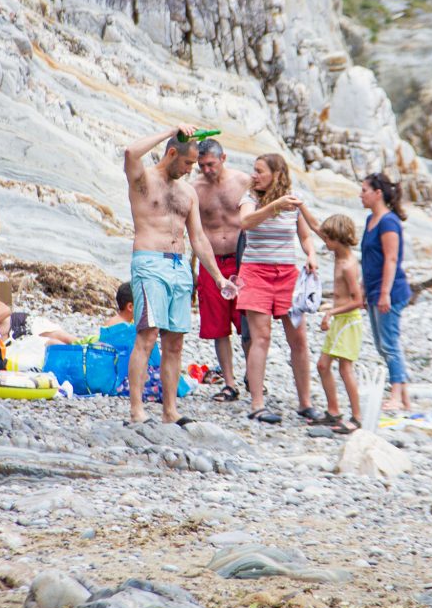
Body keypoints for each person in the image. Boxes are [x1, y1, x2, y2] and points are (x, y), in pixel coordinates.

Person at [124, 125, 230, 424]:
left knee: (175, 341)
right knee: (148, 335)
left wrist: (219, 277)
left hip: (179, 266)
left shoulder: (188, 192)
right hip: (149, 262)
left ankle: (170, 411)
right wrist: (171, 130)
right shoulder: (143, 180)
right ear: (172, 153)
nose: (189, 170)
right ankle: (137, 410)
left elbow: (198, 237)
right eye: (186, 163)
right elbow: (131, 152)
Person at [238, 154, 322, 425]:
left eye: (260, 171)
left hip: (288, 274)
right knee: (260, 338)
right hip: (255, 273)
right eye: (254, 170)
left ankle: (306, 403)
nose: (254, 175)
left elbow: (306, 235)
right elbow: (245, 223)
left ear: (276, 174)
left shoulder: (293, 200)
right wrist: (274, 205)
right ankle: (257, 404)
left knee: (298, 340)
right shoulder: (250, 198)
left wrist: (311, 254)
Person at [193, 139, 250, 402]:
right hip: (211, 262)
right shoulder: (194, 189)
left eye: (211, 164)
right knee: (218, 328)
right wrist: (193, 270)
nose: (206, 170)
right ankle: (229, 383)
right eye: (201, 165)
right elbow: (193, 232)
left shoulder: (242, 181)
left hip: (242, 261)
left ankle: (253, 374)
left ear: (223, 158)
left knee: (247, 322)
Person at [298, 210, 364, 433]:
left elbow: (358, 301)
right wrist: (301, 205)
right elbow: (317, 226)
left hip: (348, 321)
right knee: (322, 365)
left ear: (339, 239)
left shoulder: (348, 265)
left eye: (328, 239)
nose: (324, 242)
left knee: (345, 369)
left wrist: (330, 312)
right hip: (340, 320)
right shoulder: (338, 253)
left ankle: (356, 418)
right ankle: (333, 411)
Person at [360, 172, 411, 412]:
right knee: (382, 345)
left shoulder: (388, 222)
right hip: (372, 290)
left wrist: (385, 293)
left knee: (390, 344)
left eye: (364, 190)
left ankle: (397, 396)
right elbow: (368, 259)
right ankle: (405, 396)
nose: (361, 195)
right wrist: (361, 288)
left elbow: (391, 259)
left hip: (390, 290)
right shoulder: (371, 220)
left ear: (378, 193)